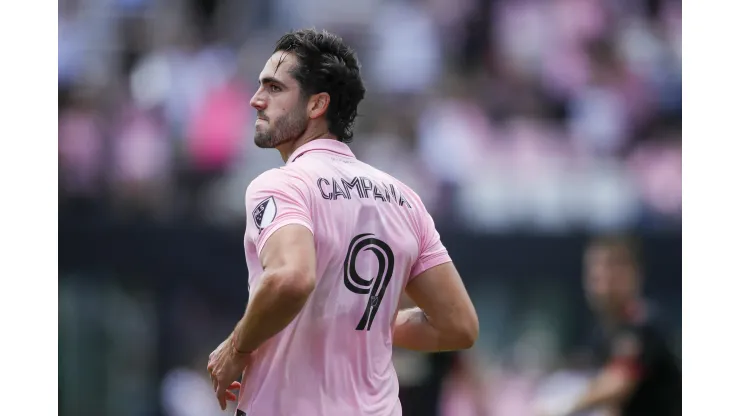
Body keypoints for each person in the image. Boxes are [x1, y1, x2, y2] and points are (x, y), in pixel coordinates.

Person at [206, 29, 479, 416]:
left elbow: (291, 278)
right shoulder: (404, 199)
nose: (256, 100)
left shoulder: (283, 184)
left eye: (274, 87)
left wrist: (237, 348)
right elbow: (459, 325)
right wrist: (370, 320)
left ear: (317, 104)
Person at [538, 235, 681, 416]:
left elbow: (619, 382)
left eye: (613, 270)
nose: (603, 282)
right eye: (595, 273)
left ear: (635, 274)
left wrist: (561, 407)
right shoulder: (602, 334)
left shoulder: (643, 325)